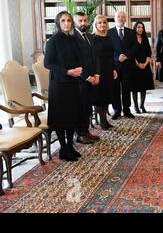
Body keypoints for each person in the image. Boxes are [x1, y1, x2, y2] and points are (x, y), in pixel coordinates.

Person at [44, 11, 84, 161]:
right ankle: (63, 148)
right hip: (59, 84)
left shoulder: (73, 39)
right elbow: (48, 63)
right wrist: (68, 71)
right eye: (63, 21)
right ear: (58, 23)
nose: (66, 23)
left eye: (68, 20)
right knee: (61, 118)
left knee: (71, 116)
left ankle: (69, 146)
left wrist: (79, 69)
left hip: (73, 83)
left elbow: (78, 58)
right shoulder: (53, 41)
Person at [73, 12, 100, 145]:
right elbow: (74, 62)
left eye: (85, 20)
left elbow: (95, 57)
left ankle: (86, 131)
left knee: (88, 107)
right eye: (80, 21)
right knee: (81, 108)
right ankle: (80, 134)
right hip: (80, 80)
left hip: (92, 78)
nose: (83, 23)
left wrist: (97, 74)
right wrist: (87, 77)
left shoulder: (89, 36)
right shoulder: (72, 38)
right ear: (75, 22)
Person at [108, 11, 138, 120]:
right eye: (119, 17)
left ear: (126, 19)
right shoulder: (109, 32)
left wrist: (126, 55)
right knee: (115, 89)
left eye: (123, 17)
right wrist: (117, 57)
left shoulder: (131, 32)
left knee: (126, 89)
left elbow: (135, 47)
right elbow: (108, 49)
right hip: (114, 66)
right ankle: (116, 110)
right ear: (115, 18)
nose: (121, 18)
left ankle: (127, 110)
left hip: (127, 65)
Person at [91, 15, 117, 130]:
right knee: (100, 96)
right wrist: (96, 73)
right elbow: (94, 57)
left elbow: (112, 55)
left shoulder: (108, 36)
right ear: (95, 25)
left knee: (107, 95)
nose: (102, 25)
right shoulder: (93, 38)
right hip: (99, 70)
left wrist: (113, 69)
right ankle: (102, 121)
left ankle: (105, 119)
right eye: (99, 23)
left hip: (108, 68)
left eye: (104, 23)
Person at [131, 21, 155, 114]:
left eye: (142, 27)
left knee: (143, 88)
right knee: (135, 88)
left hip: (145, 66)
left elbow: (149, 52)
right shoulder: (132, 39)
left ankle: (142, 105)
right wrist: (137, 64)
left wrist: (145, 63)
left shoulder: (145, 38)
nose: (140, 29)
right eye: (138, 27)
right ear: (135, 28)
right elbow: (131, 53)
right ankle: (136, 106)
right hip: (135, 66)